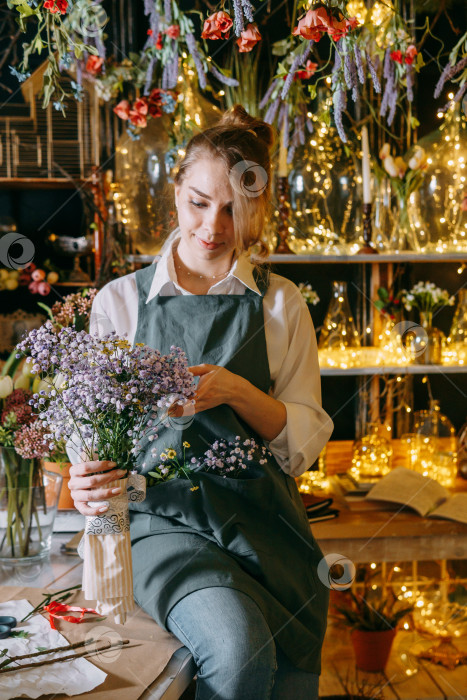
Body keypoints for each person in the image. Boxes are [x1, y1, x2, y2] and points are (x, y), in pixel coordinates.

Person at [68, 105, 334, 700]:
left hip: (265, 521)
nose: (213, 226)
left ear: (257, 209)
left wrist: (234, 389)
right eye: (198, 201)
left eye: (234, 209)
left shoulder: (281, 304)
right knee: (240, 651)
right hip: (159, 518)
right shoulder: (120, 303)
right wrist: (87, 478)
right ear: (176, 191)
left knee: (286, 674)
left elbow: (303, 445)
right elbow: (87, 442)